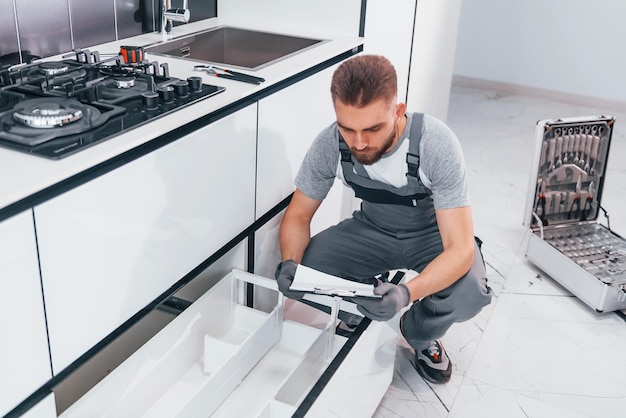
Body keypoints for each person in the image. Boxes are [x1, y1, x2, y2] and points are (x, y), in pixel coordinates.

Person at [274, 54, 492, 384]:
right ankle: (358, 315)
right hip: (371, 229)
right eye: (348, 129)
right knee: (306, 269)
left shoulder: (435, 143)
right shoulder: (330, 143)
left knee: (470, 291)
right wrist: (291, 263)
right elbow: (298, 215)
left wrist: (407, 294)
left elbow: (459, 248)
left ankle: (420, 333)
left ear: (397, 111)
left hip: (433, 235)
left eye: (372, 128)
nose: (359, 142)